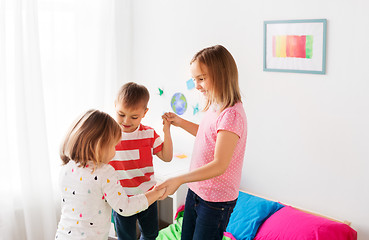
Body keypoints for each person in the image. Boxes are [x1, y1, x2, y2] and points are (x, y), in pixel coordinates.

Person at [159, 45, 247, 240]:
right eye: (194, 79)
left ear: (221, 75)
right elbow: (208, 136)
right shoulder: (216, 105)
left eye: (201, 79)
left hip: (215, 201)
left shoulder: (231, 115)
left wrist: (180, 179)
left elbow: (219, 164)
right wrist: (180, 122)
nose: (197, 85)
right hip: (197, 190)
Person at [55, 109, 165, 240]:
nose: (114, 153)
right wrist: (156, 193)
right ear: (100, 145)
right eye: (114, 146)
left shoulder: (66, 168)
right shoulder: (104, 172)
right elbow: (125, 207)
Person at [109, 82, 173, 240]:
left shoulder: (149, 134)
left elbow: (167, 157)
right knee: (126, 237)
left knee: (151, 233)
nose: (126, 121)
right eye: (121, 114)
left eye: (134, 117)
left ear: (145, 113)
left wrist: (166, 131)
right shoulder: (108, 135)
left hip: (148, 196)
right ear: (115, 106)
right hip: (121, 199)